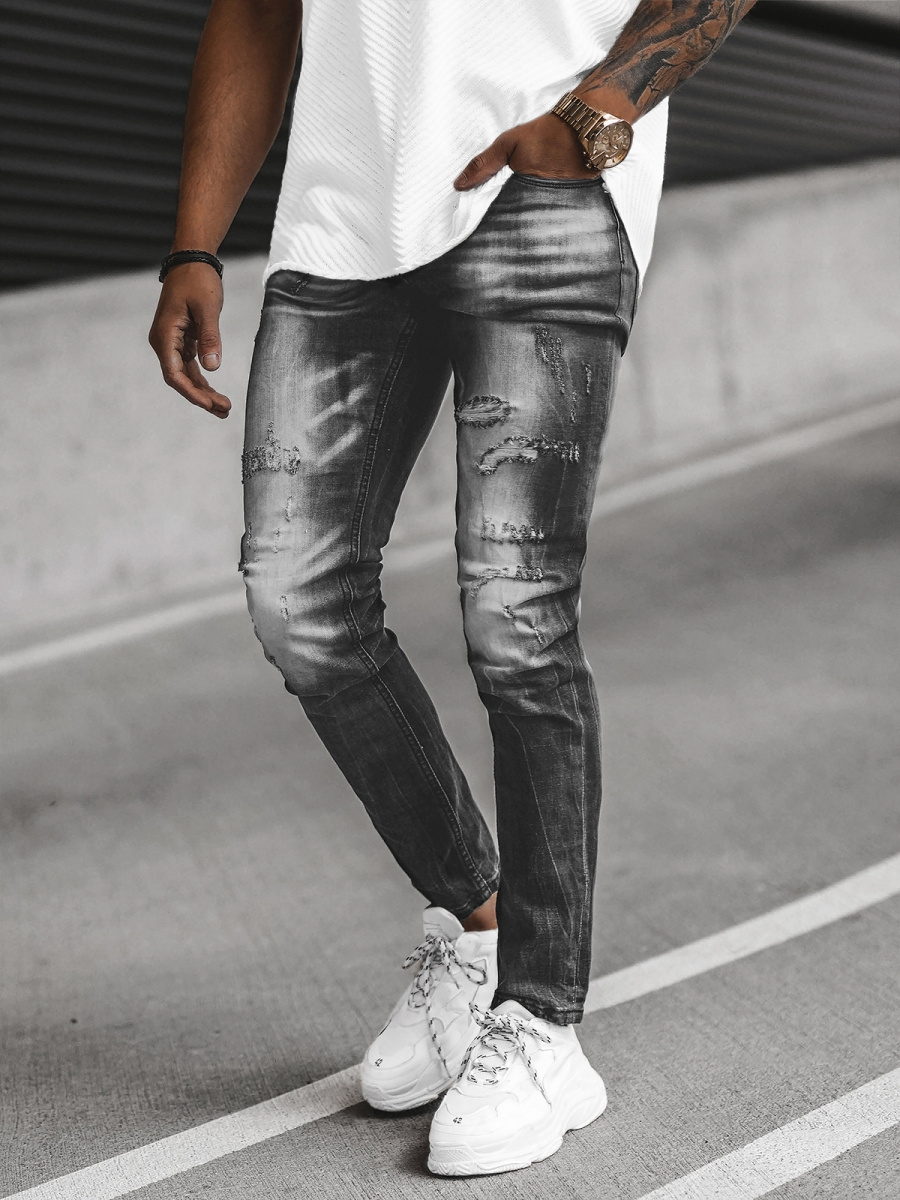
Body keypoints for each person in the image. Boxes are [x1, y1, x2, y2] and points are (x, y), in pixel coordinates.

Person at [150, 0, 756, 1176]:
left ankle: (542, 1020)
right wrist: (193, 243)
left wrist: (602, 110)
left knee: (516, 615)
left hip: (546, 187)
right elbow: (256, 11)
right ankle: (478, 928)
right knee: (297, 598)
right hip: (343, 217)